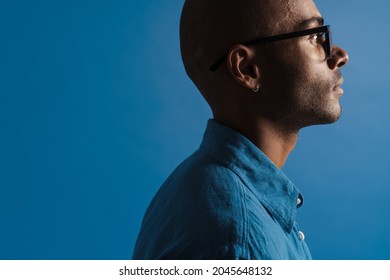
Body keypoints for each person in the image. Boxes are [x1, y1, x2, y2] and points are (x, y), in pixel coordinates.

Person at [133, 0, 349, 259]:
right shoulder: (238, 239)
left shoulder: (195, 185)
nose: (339, 55)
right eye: (314, 36)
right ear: (247, 69)